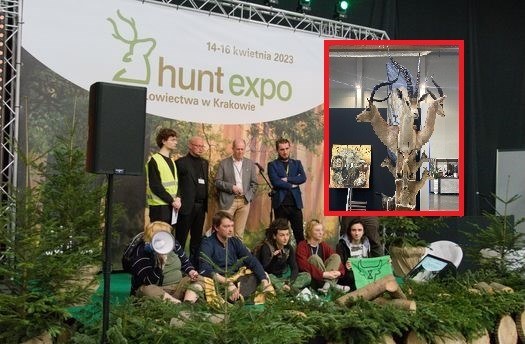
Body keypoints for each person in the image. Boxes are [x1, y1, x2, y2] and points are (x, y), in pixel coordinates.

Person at [199, 211, 273, 303]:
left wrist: (263, 279)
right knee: (209, 284)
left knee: (259, 276)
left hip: (235, 278)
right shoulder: (207, 243)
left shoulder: (234, 241)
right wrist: (227, 282)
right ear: (216, 227)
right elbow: (204, 268)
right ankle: (235, 297)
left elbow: (251, 260)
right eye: (226, 226)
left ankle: (236, 296)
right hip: (219, 280)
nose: (230, 230)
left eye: (232, 226)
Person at [129, 221, 202, 303]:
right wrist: (160, 266)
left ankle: (188, 303)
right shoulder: (141, 252)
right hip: (159, 290)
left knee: (199, 279)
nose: (168, 238)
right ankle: (177, 304)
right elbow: (148, 282)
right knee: (147, 290)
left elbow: (185, 262)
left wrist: (190, 271)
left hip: (178, 287)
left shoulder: (173, 244)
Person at [175, 136, 209, 268]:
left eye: (202, 146)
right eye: (197, 146)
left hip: (201, 207)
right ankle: (179, 266)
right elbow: (176, 184)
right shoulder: (181, 162)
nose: (200, 149)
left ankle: (193, 266)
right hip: (186, 207)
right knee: (181, 238)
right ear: (190, 145)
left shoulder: (204, 163)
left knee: (196, 240)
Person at [215, 138, 258, 239]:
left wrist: (248, 196)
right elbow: (217, 182)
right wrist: (231, 187)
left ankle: (237, 254)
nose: (240, 151)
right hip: (228, 201)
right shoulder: (224, 163)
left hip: (244, 202)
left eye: (242, 149)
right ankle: (224, 254)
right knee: (225, 232)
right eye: (238, 149)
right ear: (233, 149)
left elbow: (254, 183)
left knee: (239, 234)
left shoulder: (250, 164)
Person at [267, 138, 306, 243]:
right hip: (281, 204)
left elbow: (303, 178)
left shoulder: (297, 163)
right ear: (277, 150)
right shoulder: (272, 165)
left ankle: (301, 258)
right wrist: (292, 185)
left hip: (295, 204)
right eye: (282, 149)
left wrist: (288, 179)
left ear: (290, 148)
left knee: (299, 234)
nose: (285, 152)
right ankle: (282, 258)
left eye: (287, 148)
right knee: (281, 236)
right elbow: (275, 182)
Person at [256, 218, 311, 292]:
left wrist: (289, 283)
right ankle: (286, 289)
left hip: (285, 279)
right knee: (268, 277)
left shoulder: (288, 248)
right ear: (274, 236)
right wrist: (274, 259)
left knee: (307, 276)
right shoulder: (266, 247)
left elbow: (294, 268)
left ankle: (285, 288)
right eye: (282, 235)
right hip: (272, 277)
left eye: (287, 235)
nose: (285, 238)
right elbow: (266, 270)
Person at [296, 219, 349, 294]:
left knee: (336, 256)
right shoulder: (302, 245)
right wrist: (323, 274)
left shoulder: (323, 245)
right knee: (315, 258)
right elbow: (302, 265)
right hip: (312, 279)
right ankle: (333, 286)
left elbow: (337, 261)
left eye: (321, 230)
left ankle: (327, 285)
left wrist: (340, 272)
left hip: (325, 277)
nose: (321, 233)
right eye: (317, 230)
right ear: (310, 232)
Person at [146, 128, 181, 225]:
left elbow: (176, 183)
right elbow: (155, 186)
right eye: (172, 140)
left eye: (176, 140)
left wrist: (178, 197)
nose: (176, 142)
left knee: (169, 237)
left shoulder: (172, 161)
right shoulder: (154, 160)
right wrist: (171, 200)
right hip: (159, 207)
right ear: (164, 141)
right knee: (160, 237)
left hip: (172, 206)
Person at [336, 219, 371, 289]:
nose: (357, 233)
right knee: (352, 276)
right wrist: (345, 266)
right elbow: (338, 266)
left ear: (363, 231)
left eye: (360, 230)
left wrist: (386, 262)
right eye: (354, 230)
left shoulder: (366, 244)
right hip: (348, 275)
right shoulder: (342, 244)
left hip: (363, 273)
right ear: (350, 231)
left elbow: (371, 262)